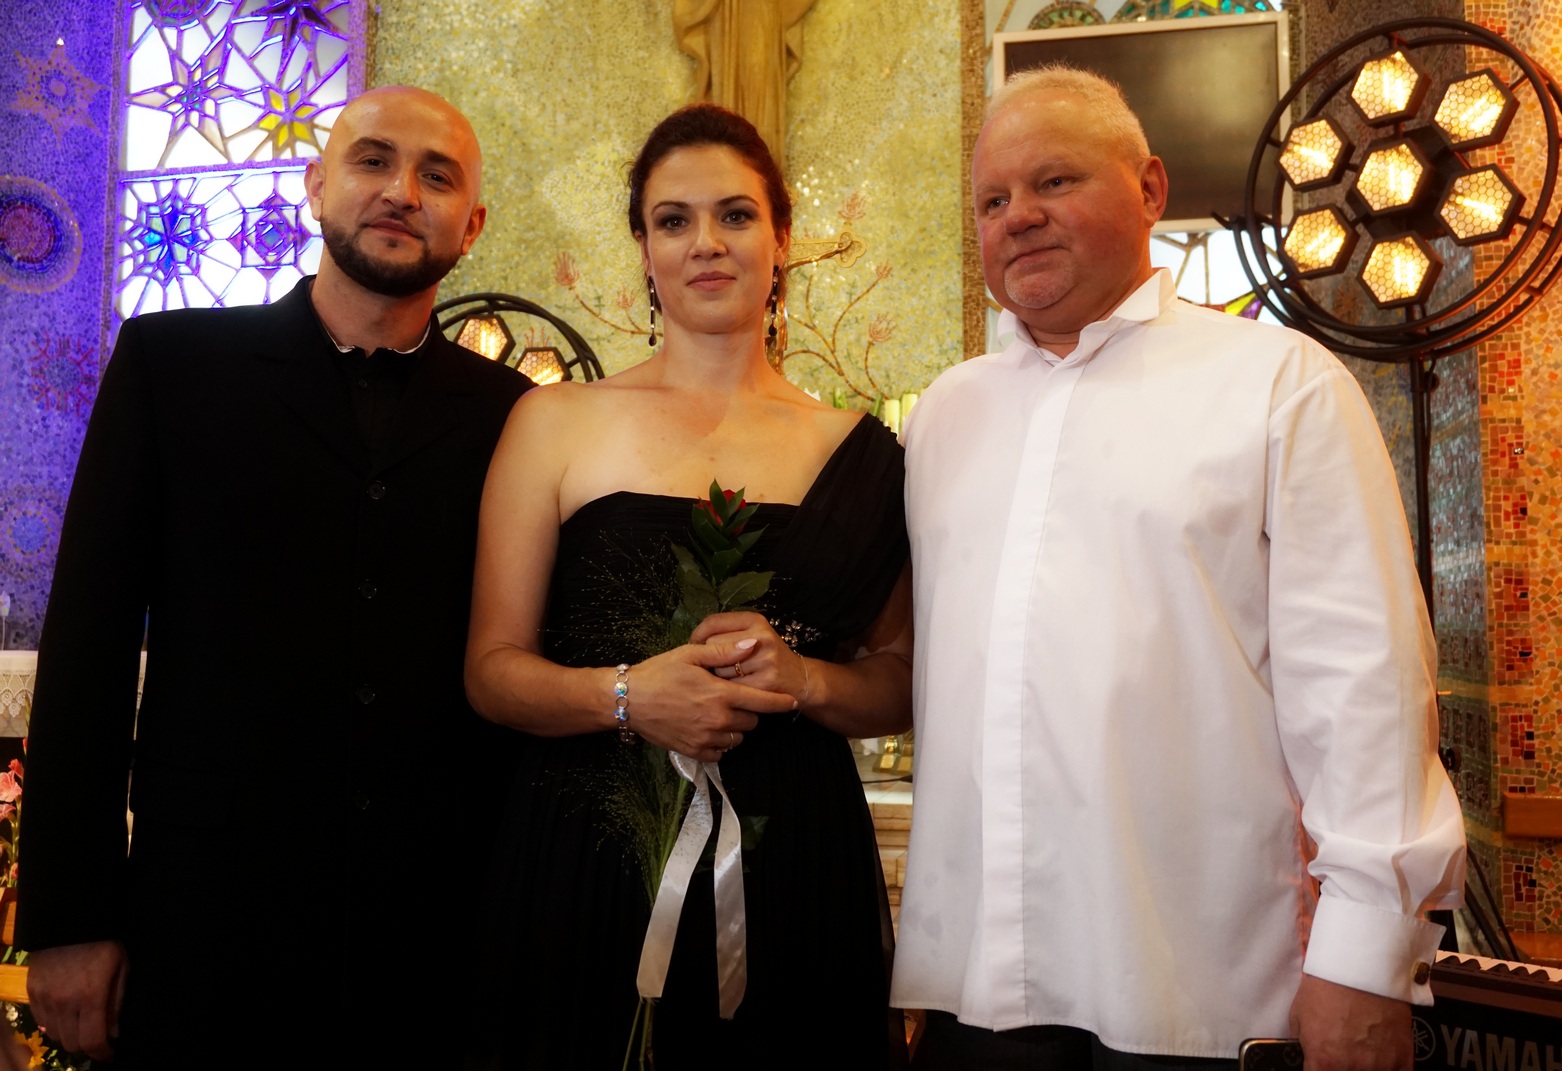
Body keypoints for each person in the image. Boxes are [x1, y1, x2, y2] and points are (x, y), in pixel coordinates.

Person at [892, 65, 1466, 1071]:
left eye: (1054, 181)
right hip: (976, 991)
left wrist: (1364, 958)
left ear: (1149, 188)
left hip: (1199, 989)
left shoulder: (1277, 382)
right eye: (992, 200)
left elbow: (1363, 687)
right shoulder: (946, 414)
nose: (1018, 216)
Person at [17, 86, 530, 1067]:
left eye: (437, 176)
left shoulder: (518, 414)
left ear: (471, 225)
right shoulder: (173, 365)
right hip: (205, 917)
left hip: (438, 934)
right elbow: (87, 647)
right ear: (315, 185)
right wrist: (72, 918)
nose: (402, 190)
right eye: (373, 160)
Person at [463, 102, 912, 1070]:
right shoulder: (554, 422)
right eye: (673, 220)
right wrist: (627, 695)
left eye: (735, 215)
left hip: (793, 859)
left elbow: (898, 680)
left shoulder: (861, 453)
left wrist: (804, 679)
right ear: (644, 247)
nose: (705, 242)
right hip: (586, 856)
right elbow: (492, 670)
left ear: (780, 238)